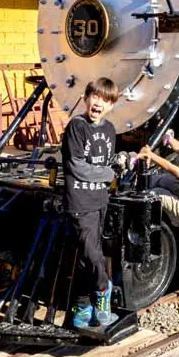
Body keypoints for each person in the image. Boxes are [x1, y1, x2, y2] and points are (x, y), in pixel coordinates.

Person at [62, 77, 119, 328]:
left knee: (87, 258)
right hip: (80, 201)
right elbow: (77, 166)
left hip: (100, 200)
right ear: (86, 99)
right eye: (95, 97)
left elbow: (107, 159)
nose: (99, 103)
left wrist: (119, 162)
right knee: (92, 254)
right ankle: (104, 290)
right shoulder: (77, 127)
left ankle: (83, 308)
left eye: (105, 100)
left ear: (111, 105)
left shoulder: (109, 130)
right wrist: (109, 174)